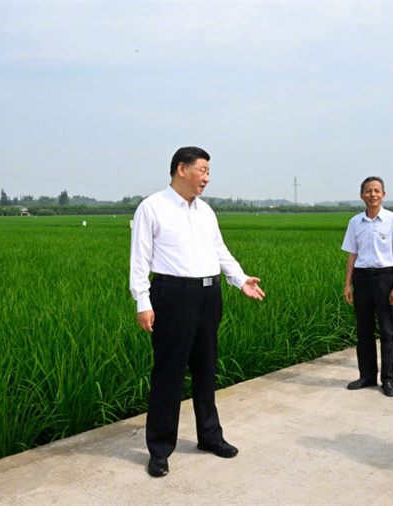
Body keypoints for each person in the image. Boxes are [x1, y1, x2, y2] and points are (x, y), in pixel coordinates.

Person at [129, 146, 266, 478]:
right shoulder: (153, 207)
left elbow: (219, 249)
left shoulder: (205, 211)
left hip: (209, 295)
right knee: (169, 375)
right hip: (173, 296)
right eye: (202, 170)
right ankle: (160, 449)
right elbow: (139, 260)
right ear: (181, 169)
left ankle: (209, 436)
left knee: (205, 370)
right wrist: (143, 302)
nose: (207, 177)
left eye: (208, 171)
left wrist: (240, 279)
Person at [342, 176, 393, 397]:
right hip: (361, 280)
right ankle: (367, 376)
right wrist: (347, 285)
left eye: (377, 191)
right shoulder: (355, 222)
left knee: (388, 331)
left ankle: (388, 379)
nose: (373, 194)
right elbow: (352, 255)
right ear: (362, 195)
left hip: (385, 278)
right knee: (364, 331)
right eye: (369, 191)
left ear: (383, 195)